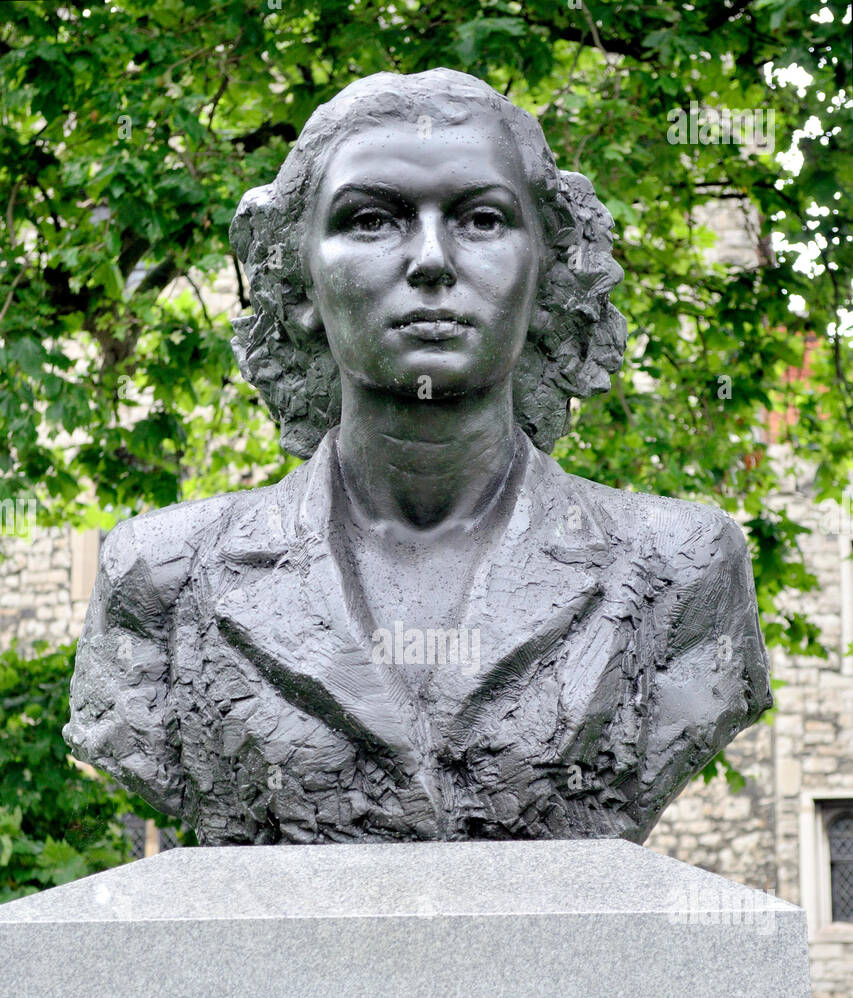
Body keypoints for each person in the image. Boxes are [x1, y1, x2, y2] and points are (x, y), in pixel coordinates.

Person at [64, 69, 772, 845]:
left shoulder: (683, 569)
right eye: (371, 220)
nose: (431, 260)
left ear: (547, 277)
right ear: (298, 280)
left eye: (481, 220)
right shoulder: (159, 578)